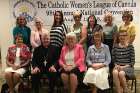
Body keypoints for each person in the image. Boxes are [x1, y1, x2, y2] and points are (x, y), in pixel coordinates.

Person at [83, 27, 111, 93]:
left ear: (101, 38)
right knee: (90, 74)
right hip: (93, 66)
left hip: (103, 66)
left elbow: (108, 60)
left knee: (98, 74)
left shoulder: (106, 47)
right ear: (93, 38)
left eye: (99, 37)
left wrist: (100, 65)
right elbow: (87, 59)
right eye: (96, 36)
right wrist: (92, 65)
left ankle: (94, 91)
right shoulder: (90, 48)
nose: (97, 38)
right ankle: (95, 90)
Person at [49, 10, 68, 92]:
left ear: (61, 17)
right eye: (56, 15)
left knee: (58, 67)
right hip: (52, 49)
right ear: (54, 16)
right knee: (52, 67)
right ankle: (53, 86)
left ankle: (58, 86)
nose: (58, 17)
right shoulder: (53, 26)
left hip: (59, 49)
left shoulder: (63, 25)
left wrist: (64, 49)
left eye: (59, 15)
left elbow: (66, 38)